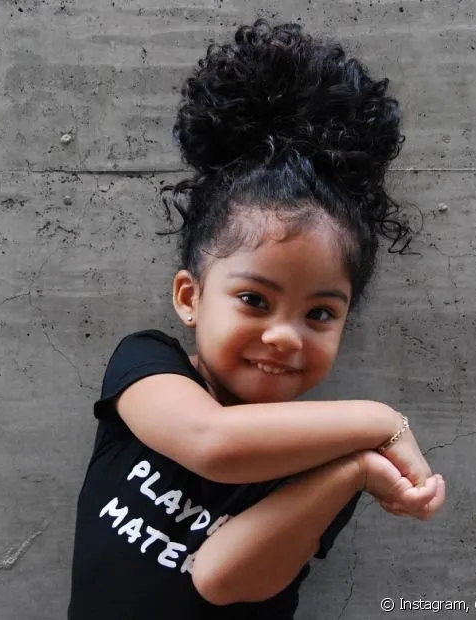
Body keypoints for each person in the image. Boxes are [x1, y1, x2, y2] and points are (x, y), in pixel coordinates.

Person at [68, 18, 446, 620]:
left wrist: (352, 470)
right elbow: (213, 445)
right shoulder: (149, 367)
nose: (284, 335)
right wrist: (381, 421)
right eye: (254, 300)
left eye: (320, 312)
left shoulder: (327, 455)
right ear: (191, 297)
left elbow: (221, 578)